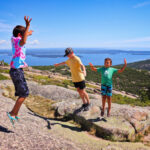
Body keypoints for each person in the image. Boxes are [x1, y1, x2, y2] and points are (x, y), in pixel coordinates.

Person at [7, 16, 33, 125]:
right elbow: (23, 40)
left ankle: (15, 113)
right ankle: (12, 113)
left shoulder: (14, 39)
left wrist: (28, 32)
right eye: (23, 35)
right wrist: (27, 26)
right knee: (24, 94)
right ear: (19, 35)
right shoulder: (18, 41)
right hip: (17, 71)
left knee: (23, 93)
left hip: (16, 70)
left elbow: (24, 37)